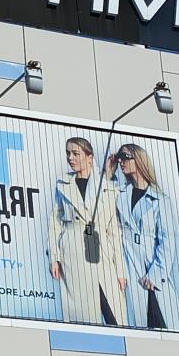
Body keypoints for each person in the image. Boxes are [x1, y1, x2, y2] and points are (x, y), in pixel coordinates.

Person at [48, 137, 127, 325]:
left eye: (76, 154)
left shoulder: (107, 186)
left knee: (114, 314)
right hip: (73, 251)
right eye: (68, 153)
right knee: (82, 316)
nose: (70, 158)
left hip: (101, 251)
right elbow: (54, 223)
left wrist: (120, 270)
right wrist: (54, 257)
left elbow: (114, 231)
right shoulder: (63, 184)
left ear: (89, 157)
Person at [107, 143, 179, 329]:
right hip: (129, 269)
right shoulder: (119, 193)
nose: (121, 162)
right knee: (135, 328)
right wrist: (108, 175)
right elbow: (101, 209)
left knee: (164, 328)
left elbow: (167, 241)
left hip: (152, 273)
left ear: (139, 160)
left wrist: (155, 275)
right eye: (119, 158)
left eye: (125, 157)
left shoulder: (159, 199)